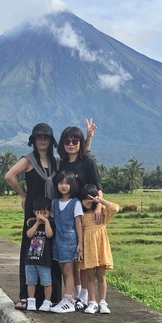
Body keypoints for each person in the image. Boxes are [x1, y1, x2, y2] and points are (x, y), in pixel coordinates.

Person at [5, 123, 60, 310]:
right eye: (39, 137)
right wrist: (23, 194)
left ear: (51, 141)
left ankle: (51, 297)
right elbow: (10, 176)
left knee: (51, 250)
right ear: (34, 140)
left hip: (52, 212)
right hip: (34, 212)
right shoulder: (28, 160)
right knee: (30, 251)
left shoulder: (56, 161)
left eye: (46, 137)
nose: (42, 140)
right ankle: (26, 297)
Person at [57, 124, 104, 311]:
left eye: (75, 140)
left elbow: (98, 185)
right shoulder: (61, 164)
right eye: (67, 140)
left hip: (86, 215)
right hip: (66, 216)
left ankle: (84, 296)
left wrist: (99, 206)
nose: (71, 144)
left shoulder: (88, 163)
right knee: (70, 258)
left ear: (80, 143)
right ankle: (76, 294)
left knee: (83, 258)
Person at [79, 184, 119, 314]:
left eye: (91, 198)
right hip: (88, 250)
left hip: (101, 248)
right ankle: (92, 302)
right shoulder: (81, 216)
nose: (88, 201)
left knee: (101, 276)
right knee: (89, 277)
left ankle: (103, 302)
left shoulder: (102, 214)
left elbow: (115, 208)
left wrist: (101, 202)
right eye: (85, 198)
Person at [50, 170, 84, 314]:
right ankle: (69, 297)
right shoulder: (54, 202)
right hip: (57, 240)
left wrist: (80, 243)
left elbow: (78, 223)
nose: (64, 186)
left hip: (70, 241)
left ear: (72, 185)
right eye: (61, 183)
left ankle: (69, 300)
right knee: (64, 270)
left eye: (67, 183)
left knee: (69, 270)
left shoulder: (75, 203)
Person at [24, 197, 55, 312]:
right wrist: (37, 222)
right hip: (31, 258)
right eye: (38, 212)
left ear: (49, 213)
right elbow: (29, 234)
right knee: (31, 281)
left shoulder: (51, 223)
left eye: (44, 213)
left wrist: (46, 221)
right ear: (34, 212)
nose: (41, 215)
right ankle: (31, 300)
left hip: (44, 260)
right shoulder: (32, 222)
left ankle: (47, 301)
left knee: (46, 282)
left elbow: (49, 235)